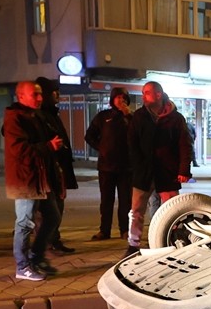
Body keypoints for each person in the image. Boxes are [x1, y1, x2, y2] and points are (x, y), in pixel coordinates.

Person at [3, 81, 63, 281]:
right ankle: (22, 266)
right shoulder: (15, 118)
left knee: (53, 216)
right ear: (20, 97)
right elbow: (20, 150)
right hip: (25, 179)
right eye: (34, 95)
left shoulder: (37, 115)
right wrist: (48, 146)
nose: (39, 98)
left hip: (41, 178)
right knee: (24, 222)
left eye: (40, 94)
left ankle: (35, 257)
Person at [126, 81, 193, 257]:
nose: (143, 96)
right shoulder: (140, 116)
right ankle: (133, 245)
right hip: (144, 172)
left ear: (158, 94)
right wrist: (137, 165)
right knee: (136, 211)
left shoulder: (175, 118)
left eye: (147, 93)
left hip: (167, 171)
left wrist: (184, 169)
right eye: (143, 93)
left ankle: (169, 241)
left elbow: (184, 145)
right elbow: (132, 143)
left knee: (172, 210)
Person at [35, 77, 77, 254]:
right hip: (46, 168)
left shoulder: (52, 113)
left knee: (57, 206)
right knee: (48, 210)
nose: (57, 94)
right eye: (54, 91)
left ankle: (54, 239)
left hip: (58, 166)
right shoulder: (38, 115)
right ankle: (45, 243)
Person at [84, 87, 132, 240]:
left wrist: (128, 116)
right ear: (112, 100)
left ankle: (125, 230)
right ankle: (104, 230)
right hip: (106, 166)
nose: (121, 100)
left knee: (125, 200)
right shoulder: (103, 116)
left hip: (126, 166)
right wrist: (102, 148)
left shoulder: (132, 117)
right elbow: (89, 136)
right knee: (106, 200)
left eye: (123, 97)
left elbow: (138, 134)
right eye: (117, 97)